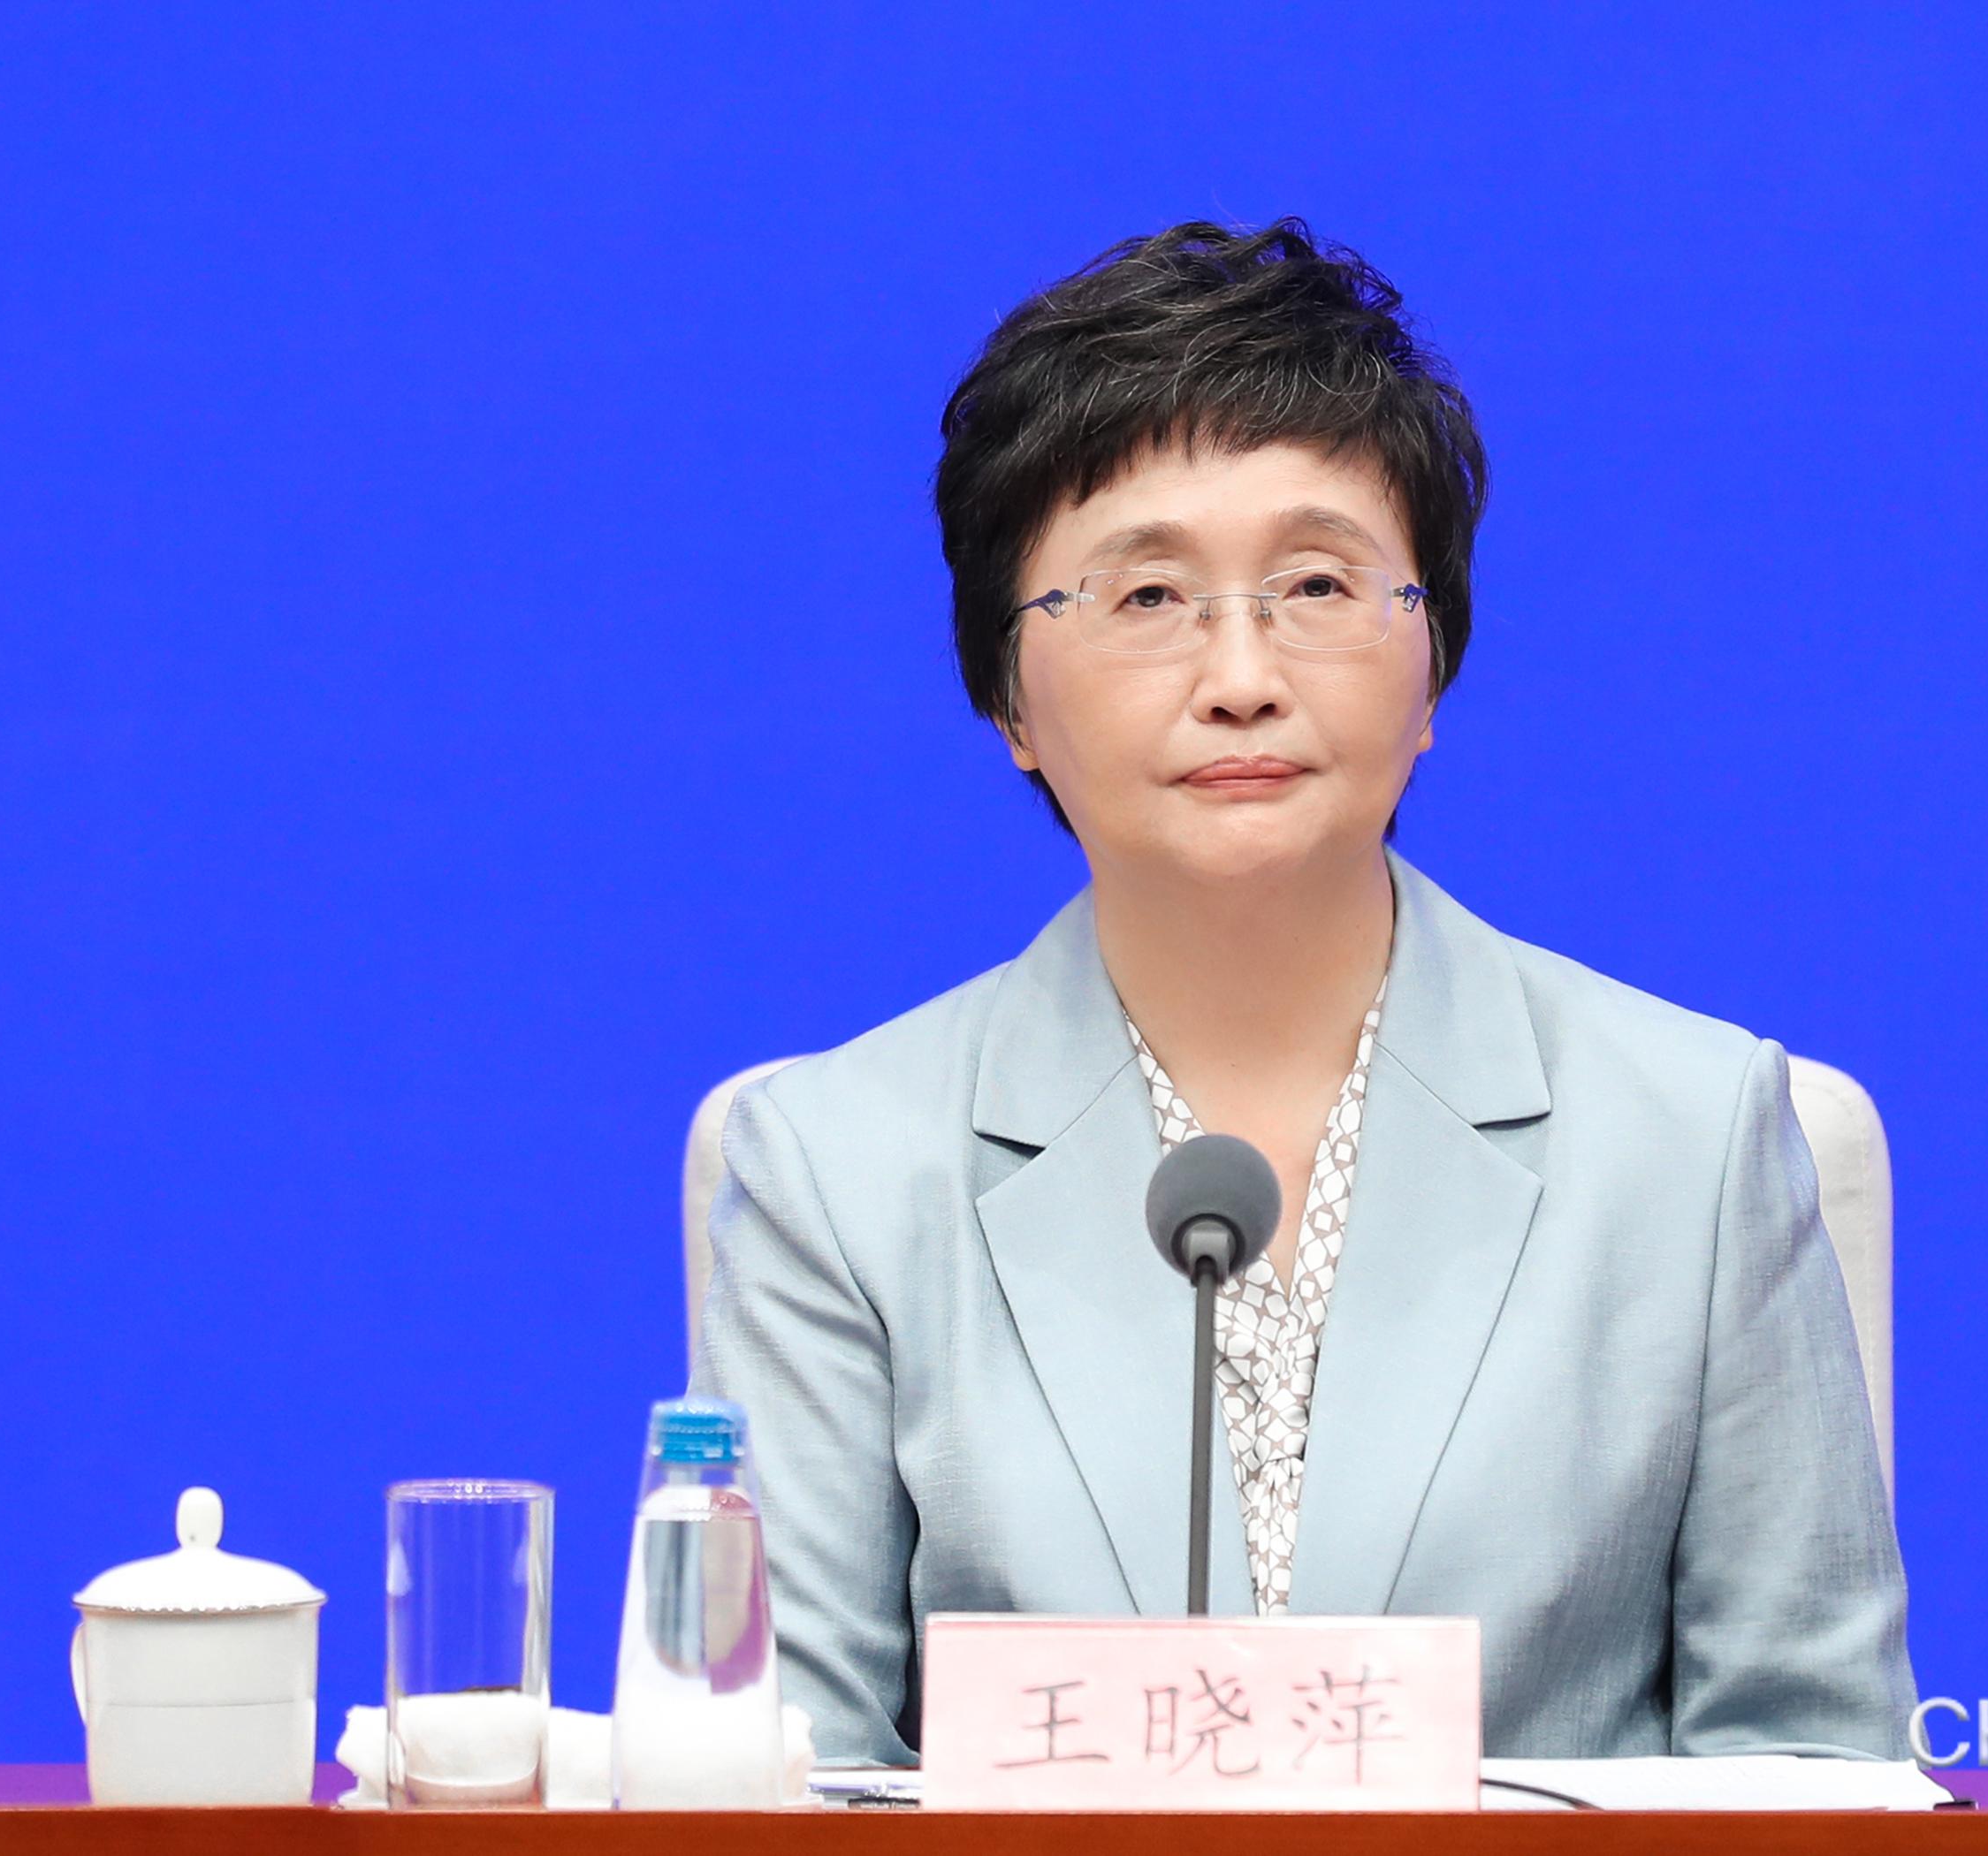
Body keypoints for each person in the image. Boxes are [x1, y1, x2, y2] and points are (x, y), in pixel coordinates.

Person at [694, 220, 1914, 1765]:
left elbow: (1812, 1767)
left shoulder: (1691, 1135)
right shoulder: (838, 1167)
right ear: (1007, 696)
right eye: (1147, 597)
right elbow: (780, 1785)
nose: (1242, 678)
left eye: (1319, 584)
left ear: (1434, 663)